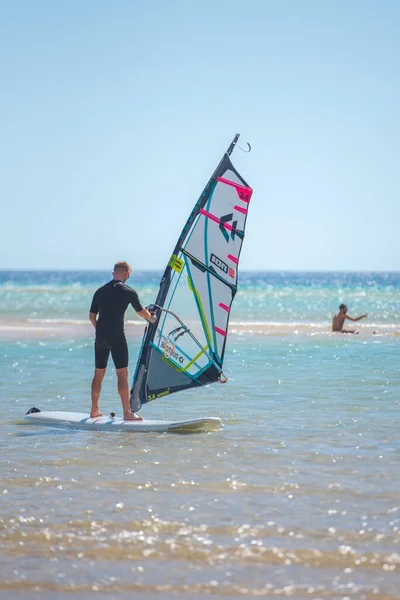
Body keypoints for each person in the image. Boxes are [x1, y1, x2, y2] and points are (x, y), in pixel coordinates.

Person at [89, 261, 156, 420]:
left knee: (99, 373)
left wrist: (101, 331)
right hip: (117, 337)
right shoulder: (128, 291)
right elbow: (141, 311)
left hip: (101, 337)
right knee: (122, 375)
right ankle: (127, 413)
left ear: (114, 273)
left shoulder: (99, 291)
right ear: (127, 274)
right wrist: (152, 319)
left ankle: (94, 410)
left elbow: (92, 317)